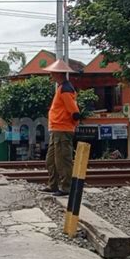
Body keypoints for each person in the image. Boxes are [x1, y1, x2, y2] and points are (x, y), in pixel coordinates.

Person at [39, 59, 80, 197]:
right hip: (57, 129)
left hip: (63, 129)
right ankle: (54, 185)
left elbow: (74, 111)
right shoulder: (61, 88)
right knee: (51, 160)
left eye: (52, 73)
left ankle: (66, 187)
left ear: (58, 74)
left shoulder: (66, 89)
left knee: (63, 159)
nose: (51, 75)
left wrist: (74, 124)